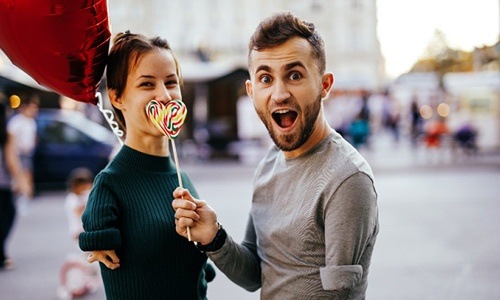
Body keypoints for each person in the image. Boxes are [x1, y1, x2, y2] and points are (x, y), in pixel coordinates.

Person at [173, 12, 379, 299]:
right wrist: (212, 236)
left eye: (294, 75)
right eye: (266, 78)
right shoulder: (268, 165)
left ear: (324, 85)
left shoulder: (347, 179)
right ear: (251, 90)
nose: (279, 94)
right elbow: (253, 276)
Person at [78, 31, 214, 299]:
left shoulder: (182, 179)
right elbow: (94, 234)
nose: (164, 95)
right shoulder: (111, 182)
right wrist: (97, 240)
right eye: (147, 84)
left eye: (171, 82)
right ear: (117, 97)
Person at [0, 101, 32, 270]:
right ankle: (1, 254)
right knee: (7, 216)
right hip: (3, 184)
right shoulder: (6, 134)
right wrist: (22, 182)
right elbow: (12, 161)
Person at [7, 93, 39, 198]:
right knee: (20, 178)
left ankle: (25, 197)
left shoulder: (32, 122)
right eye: (32, 107)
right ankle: (19, 197)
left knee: (27, 176)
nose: (34, 110)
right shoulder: (16, 121)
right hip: (18, 154)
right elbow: (10, 139)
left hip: (28, 153)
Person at [64, 168, 94, 242]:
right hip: (78, 231)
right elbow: (79, 212)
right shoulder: (71, 198)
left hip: (86, 231)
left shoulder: (86, 195)